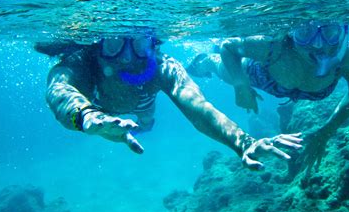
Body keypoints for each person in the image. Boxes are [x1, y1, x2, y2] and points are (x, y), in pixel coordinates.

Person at [38, 33, 303, 171]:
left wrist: (241, 141)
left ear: (152, 45)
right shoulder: (84, 60)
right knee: (115, 124)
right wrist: (83, 115)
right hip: (98, 111)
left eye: (140, 44)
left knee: (145, 118)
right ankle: (118, 126)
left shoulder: (162, 66)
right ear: (98, 44)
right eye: (115, 43)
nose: (128, 57)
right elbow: (58, 88)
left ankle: (141, 125)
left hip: (141, 102)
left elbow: (198, 107)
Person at [187, 21, 349, 171]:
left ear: (342, 32)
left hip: (282, 79)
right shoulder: (273, 45)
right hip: (259, 74)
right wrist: (241, 86)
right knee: (220, 68)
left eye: (329, 32)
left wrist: (326, 132)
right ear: (291, 34)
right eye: (305, 33)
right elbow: (228, 46)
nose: (318, 44)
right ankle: (204, 62)